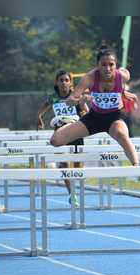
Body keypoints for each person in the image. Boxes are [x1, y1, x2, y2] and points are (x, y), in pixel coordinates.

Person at [50, 45, 139, 166]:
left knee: (122, 135)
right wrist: (76, 100)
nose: (107, 69)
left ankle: (137, 167)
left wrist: (123, 92)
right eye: (103, 65)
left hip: (115, 118)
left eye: (111, 64)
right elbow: (72, 98)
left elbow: (121, 84)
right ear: (97, 65)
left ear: (115, 65)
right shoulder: (89, 78)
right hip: (94, 118)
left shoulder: (123, 75)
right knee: (55, 141)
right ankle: (70, 122)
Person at [37, 70, 89, 206]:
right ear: (57, 82)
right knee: (63, 163)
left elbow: (86, 112)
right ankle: (71, 193)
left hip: (76, 131)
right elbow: (44, 107)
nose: (64, 83)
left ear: (70, 82)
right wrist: (39, 117)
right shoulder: (53, 97)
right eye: (61, 80)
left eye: (66, 80)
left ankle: (75, 187)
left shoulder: (75, 95)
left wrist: (84, 111)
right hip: (60, 132)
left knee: (77, 164)